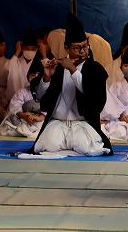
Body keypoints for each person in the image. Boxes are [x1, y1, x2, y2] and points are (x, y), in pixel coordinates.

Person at [31, 13, 113, 156]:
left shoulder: (95, 69)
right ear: (66, 48)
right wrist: (46, 77)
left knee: (87, 148)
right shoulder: (57, 67)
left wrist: (73, 70)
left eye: (84, 47)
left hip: (82, 124)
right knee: (45, 147)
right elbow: (40, 98)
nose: (82, 51)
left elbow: (95, 98)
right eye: (76, 48)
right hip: (58, 123)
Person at [6, 29, 39, 103]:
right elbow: (9, 69)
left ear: (37, 49)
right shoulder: (15, 62)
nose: (30, 51)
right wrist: (17, 51)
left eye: (33, 49)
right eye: (27, 48)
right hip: (16, 100)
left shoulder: (39, 64)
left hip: (33, 102)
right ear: (22, 48)